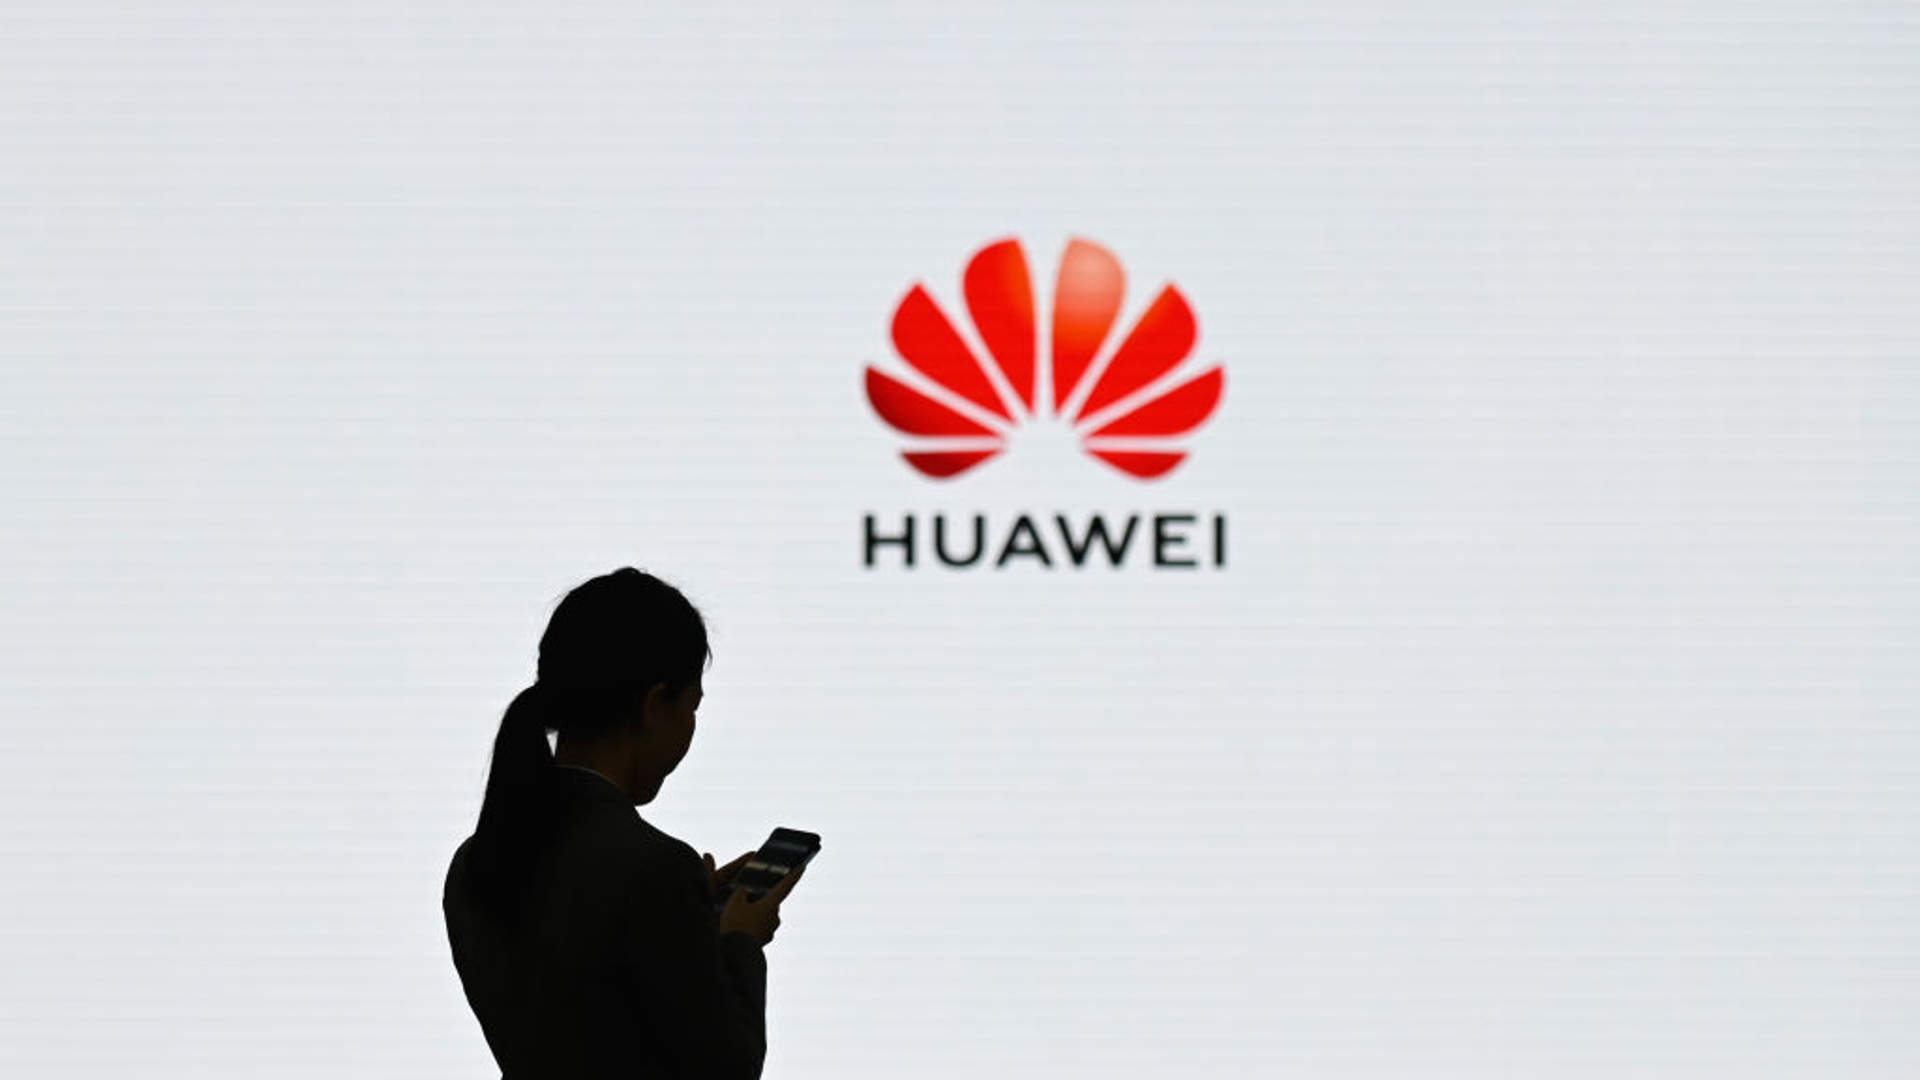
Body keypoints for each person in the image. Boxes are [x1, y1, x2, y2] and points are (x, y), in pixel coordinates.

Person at [443, 567, 805, 1079]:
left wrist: (689, 922)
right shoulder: (655, 867)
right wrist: (737, 941)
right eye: (691, 706)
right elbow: (727, 1069)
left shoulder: (474, 864)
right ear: (654, 706)